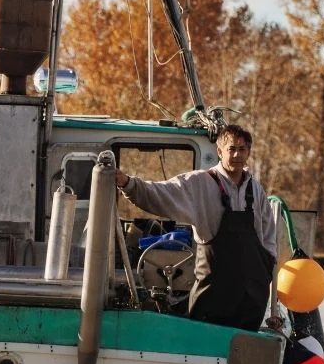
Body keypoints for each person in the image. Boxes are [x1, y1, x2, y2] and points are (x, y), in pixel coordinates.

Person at [114, 124, 276, 331]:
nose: (236, 155)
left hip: (251, 300)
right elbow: (160, 194)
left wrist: (267, 268)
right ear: (219, 151)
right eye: (231, 149)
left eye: (242, 149)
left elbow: (269, 235)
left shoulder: (256, 189)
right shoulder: (199, 183)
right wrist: (128, 183)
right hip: (213, 298)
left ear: (249, 152)